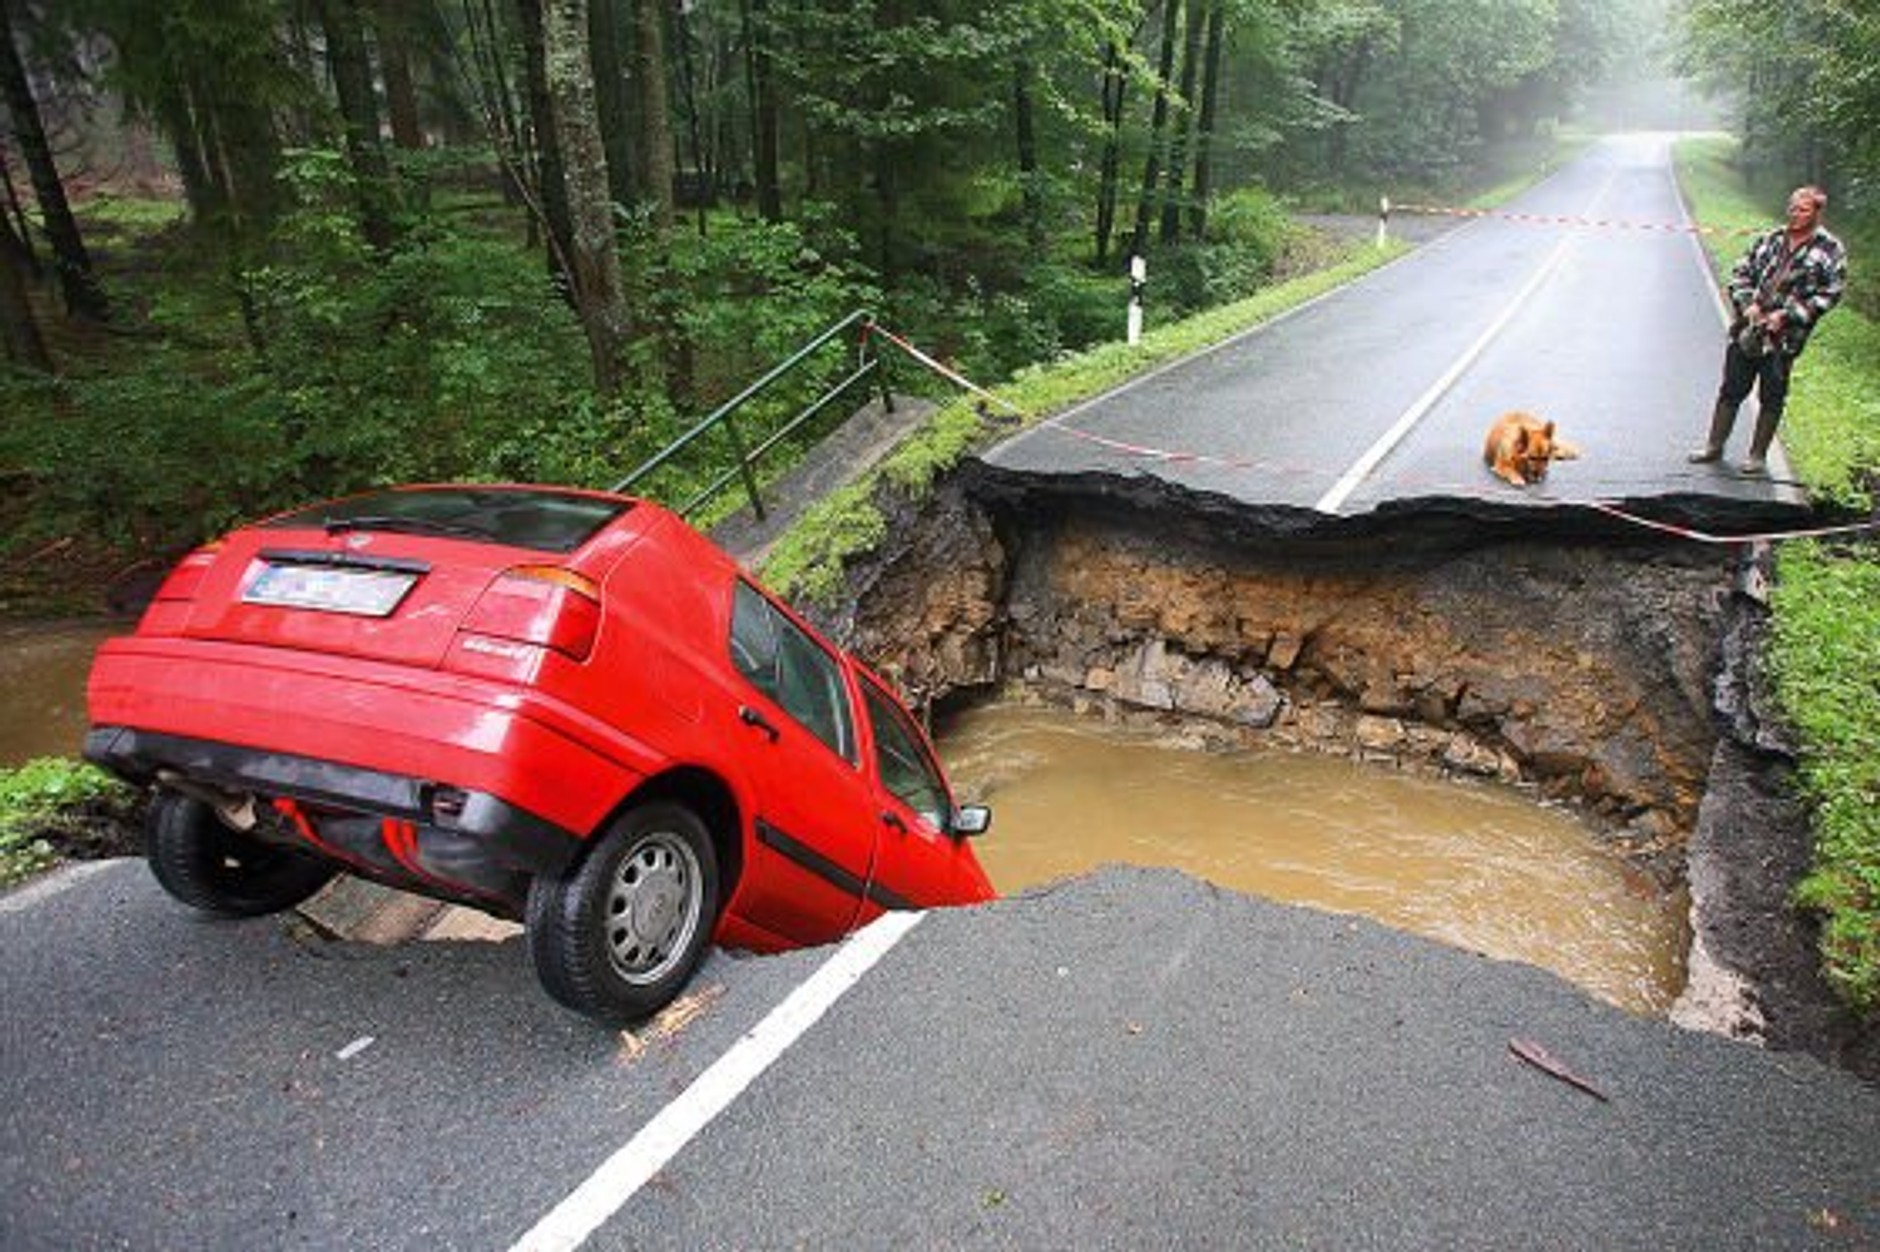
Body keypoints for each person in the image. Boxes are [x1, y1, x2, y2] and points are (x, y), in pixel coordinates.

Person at [1689, 184, 1847, 475]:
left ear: (1817, 212)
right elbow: (1741, 272)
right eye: (1792, 207)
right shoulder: (1770, 238)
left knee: (1772, 395)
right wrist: (1747, 303)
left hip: (1785, 338)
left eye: (1802, 209)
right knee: (1731, 388)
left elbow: (1831, 293)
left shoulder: (1830, 249)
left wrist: (1786, 316)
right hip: (1748, 329)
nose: (1795, 214)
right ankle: (1713, 446)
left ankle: (1757, 455)